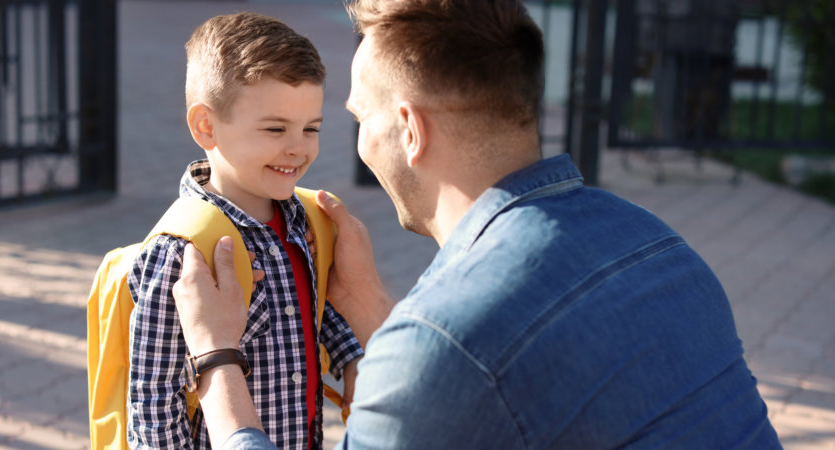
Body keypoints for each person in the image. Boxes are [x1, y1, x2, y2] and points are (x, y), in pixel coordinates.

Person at [172, 1, 782, 448]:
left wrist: (218, 358)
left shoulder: (440, 347)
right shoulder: (656, 243)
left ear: (410, 131)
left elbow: (452, 365)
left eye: (358, 118)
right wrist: (370, 305)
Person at [126, 12, 363, 450]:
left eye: (311, 129)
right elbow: (153, 399)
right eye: (275, 129)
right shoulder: (181, 251)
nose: (298, 147)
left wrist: (351, 356)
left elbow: (311, 306)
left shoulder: (305, 220)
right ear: (206, 126)